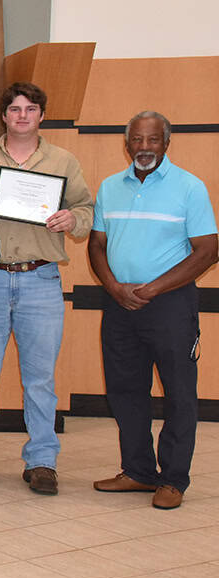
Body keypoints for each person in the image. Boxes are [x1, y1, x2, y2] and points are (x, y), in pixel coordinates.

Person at [0, 82, 94, 495]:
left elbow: (86, 208)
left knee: (39, 379)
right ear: (3, 115)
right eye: (14, 109)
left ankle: (42, 461)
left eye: (30, 109)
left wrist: (73, 220)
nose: (21, 116)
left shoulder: (62, 160)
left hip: (41, 279)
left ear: (41, 115)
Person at [88, 111, 217, 510]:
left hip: (171, 306)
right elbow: (95, 244)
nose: (145, 148)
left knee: (179, 393)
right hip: (119, 304)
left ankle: (174, 479)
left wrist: (153, 288)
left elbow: (208, 250)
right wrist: (113, 287)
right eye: (138, 140)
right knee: (126, 391)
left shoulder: (189, 188)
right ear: (127, 144)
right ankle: (139, 471)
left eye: (153, 140)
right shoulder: (110, 187)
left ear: (167, 143)